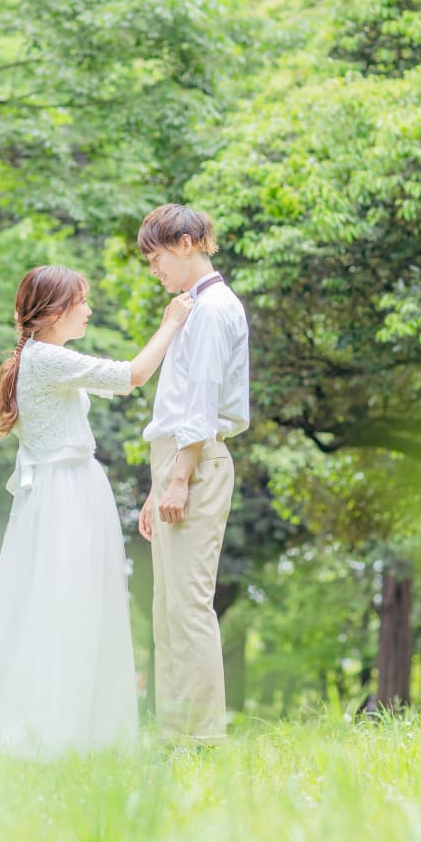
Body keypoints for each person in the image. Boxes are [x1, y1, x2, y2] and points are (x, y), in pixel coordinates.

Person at [0, 264, 193, 760]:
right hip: (64, 491)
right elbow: (132, 376)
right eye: (82, 302)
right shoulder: (47, 359)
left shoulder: (41, 357)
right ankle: (53, 733)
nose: (90, 311)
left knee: (77, 601)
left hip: (70, 486)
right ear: (55, 312)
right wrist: (171, 323)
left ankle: (78, 731)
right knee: (65, 603)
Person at [136, 204, 250, 743]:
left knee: (188, 606)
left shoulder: (211, 310)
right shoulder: (193, 307)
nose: (154, 270)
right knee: (169, 609)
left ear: (185, 243)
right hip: (179, 459)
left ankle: (201, 739)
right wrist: (158, 486)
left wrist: (179, 476)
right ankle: (175, 733)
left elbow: (201, 402)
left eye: (156, 258)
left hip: (195, 460)